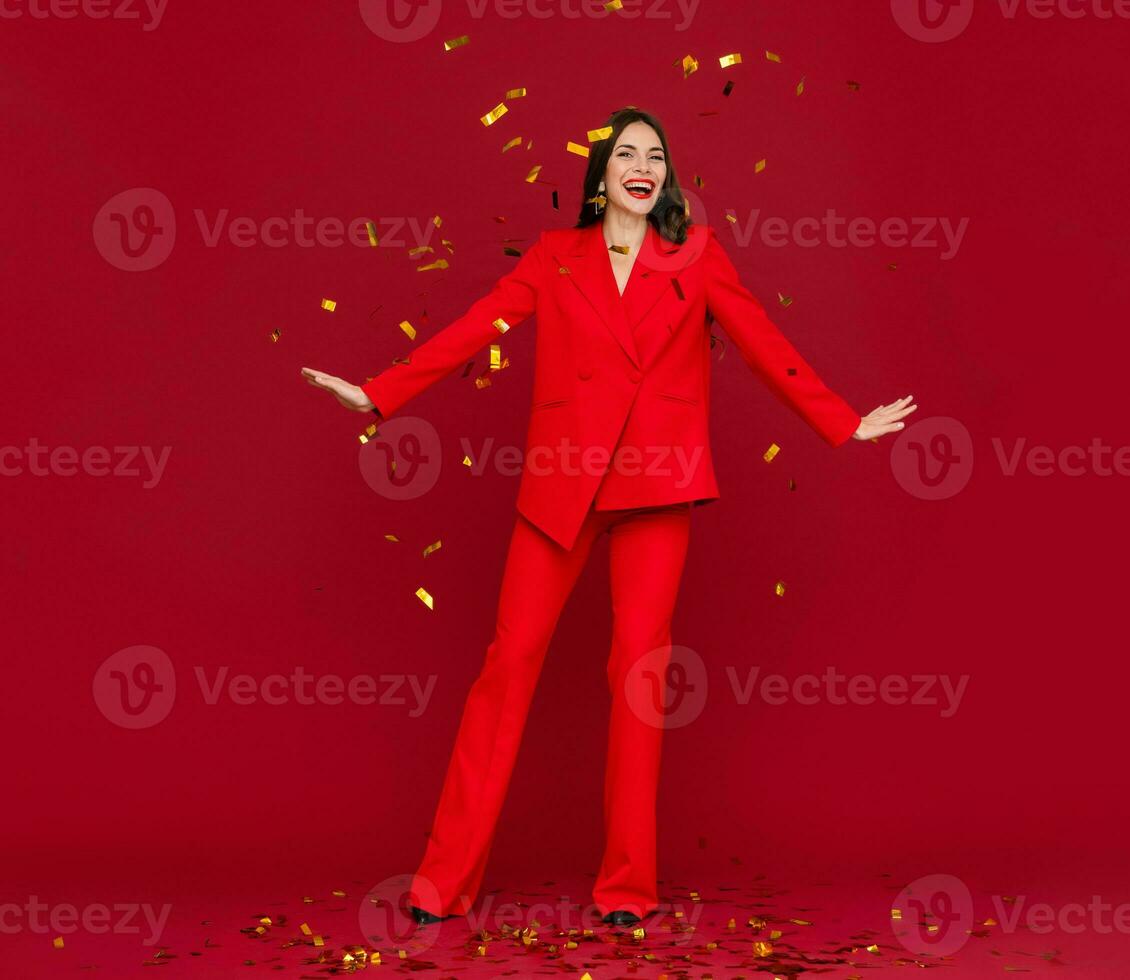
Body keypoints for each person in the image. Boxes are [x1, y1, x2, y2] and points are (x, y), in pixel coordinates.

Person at [302, 107, 916, 928]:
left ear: (667, 175)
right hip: (560, 487)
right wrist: (381, 393)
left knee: (638, 680)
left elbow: (765, 341)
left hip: (658, 487)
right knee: (507, 665)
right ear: (600, 176)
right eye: (626, 153)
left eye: (655, 155)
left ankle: (627, 887)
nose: (642, 165)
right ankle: (440, 883)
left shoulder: (696, 258)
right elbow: (478, 325)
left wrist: (841, 419)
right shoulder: (555, 258)